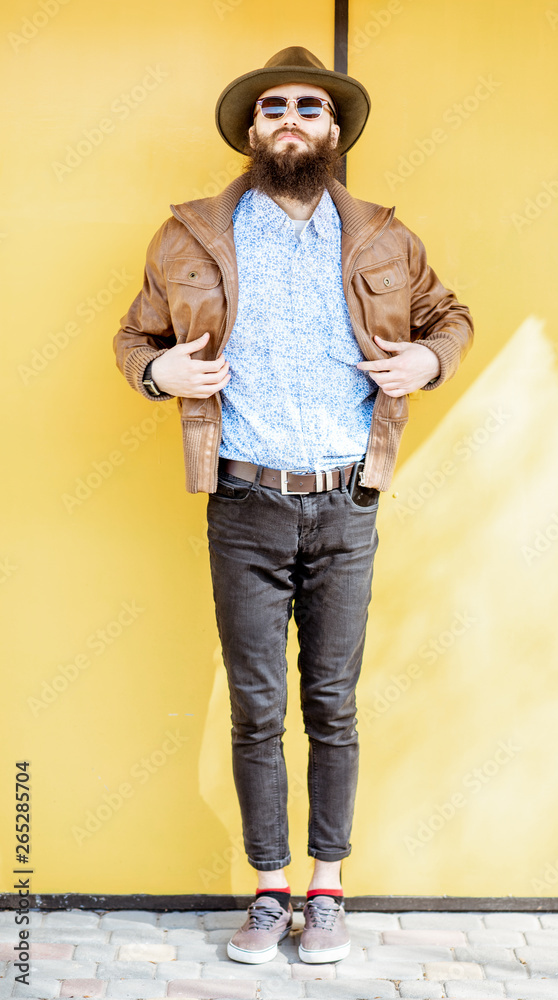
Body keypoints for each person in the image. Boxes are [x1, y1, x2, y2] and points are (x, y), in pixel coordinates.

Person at [113, 46, 474, 966]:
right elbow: (134, 334)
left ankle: (327, 888)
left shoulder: (386, 238)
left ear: (333, 130)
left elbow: (448, 318)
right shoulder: (191, 237)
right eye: (274, 106)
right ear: (250, 129)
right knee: (255, 706)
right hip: (243, 498)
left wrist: (429, 361)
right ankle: (270, 891)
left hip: (348, 501)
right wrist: (159, 370)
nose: (292, 118)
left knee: (333, 704)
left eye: (310, 107)